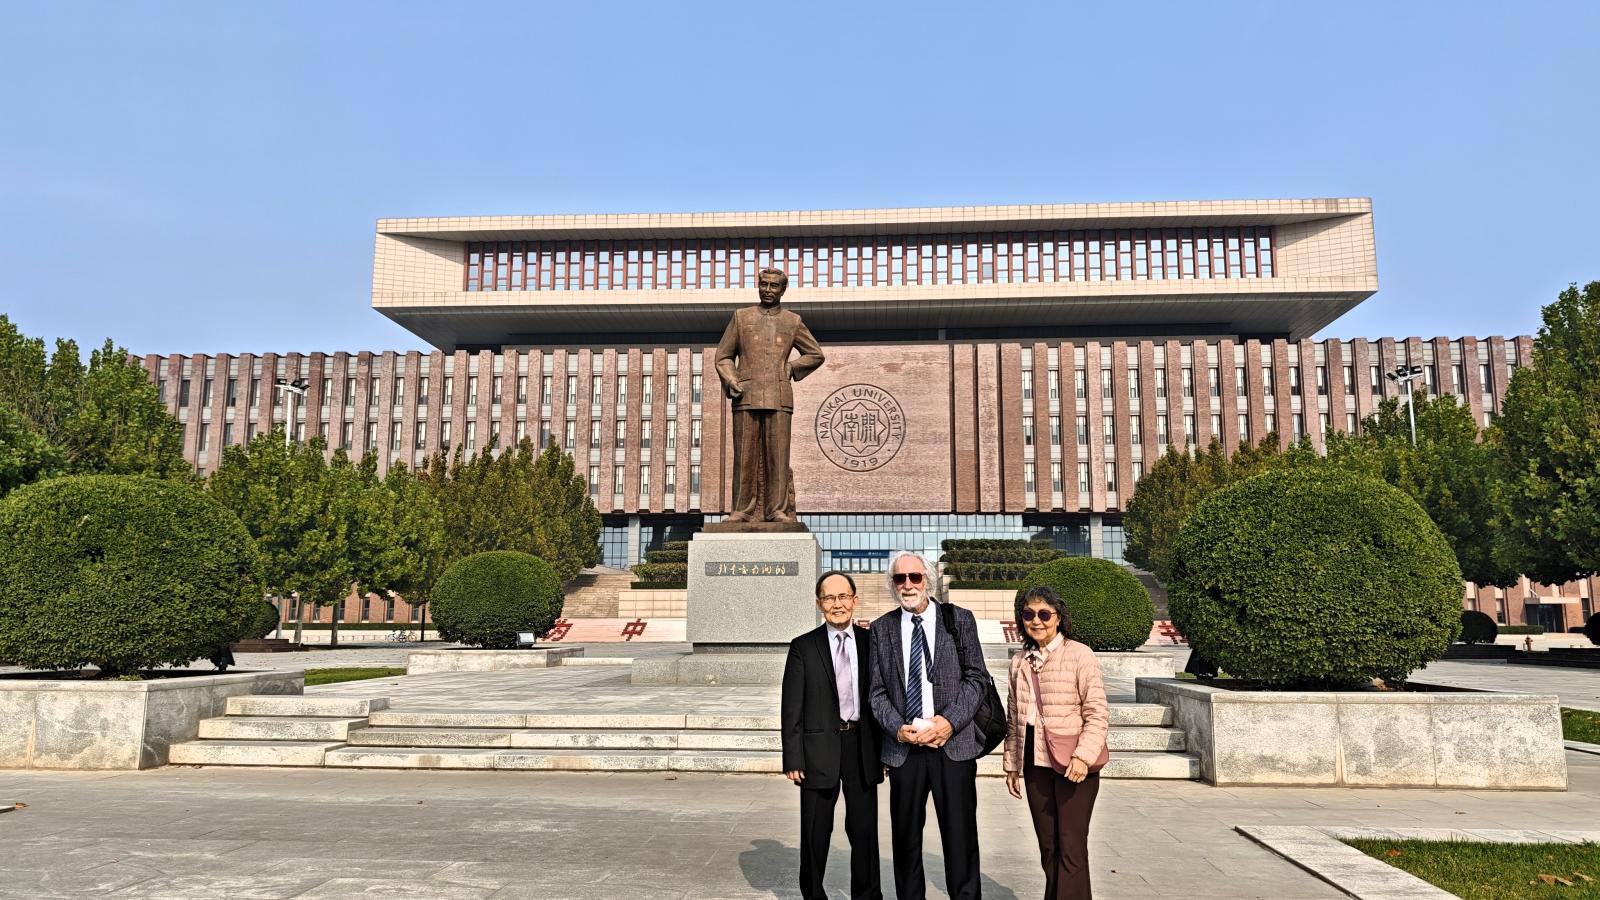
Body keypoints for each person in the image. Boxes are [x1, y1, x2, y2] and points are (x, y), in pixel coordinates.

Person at [867, 550, 989, 900]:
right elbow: (875, 692)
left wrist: (949, 722)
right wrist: (895, 728)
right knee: (905, 841)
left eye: (914, 577)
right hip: (905, 749)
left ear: (928, 581)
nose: (907, 585)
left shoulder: (958, 619)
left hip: (953, 745)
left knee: (961, 837)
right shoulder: (882, 629)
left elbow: (977, 678)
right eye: (899, 579)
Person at [781, 570, 884, 900]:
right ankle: (813, 894)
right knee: (815, 831)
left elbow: (881, 699)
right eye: (829, 598)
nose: (836, 604)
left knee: (865, 831)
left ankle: (866, 895)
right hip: (817, 750)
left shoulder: (872, 643)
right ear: (818, 603)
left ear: (855, 600)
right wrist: (792, 757)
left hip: (862, 747)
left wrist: (885, 751)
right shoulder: (803, 647)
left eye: (843, 597)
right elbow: (791, 706)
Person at [1004, 586, 1108, 899]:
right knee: (1049, 846)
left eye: (1044, 614)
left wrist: (1083, 757)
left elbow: (1097, 713)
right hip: (1035, 763)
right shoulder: (1019, 662)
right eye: (1028, 614)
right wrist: (1011, 764)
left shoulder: (1079, 654)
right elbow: (1013, 718)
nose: (1036, 621)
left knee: (1071, 847)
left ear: (1058, 618)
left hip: (1073, 762)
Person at [713, 267, 825, 523]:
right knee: (744, 457)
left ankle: (777, 510)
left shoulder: (792, 321)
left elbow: (815, 354)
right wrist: (731, 379)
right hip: (746, 394)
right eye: (764, 284)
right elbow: (723, 356)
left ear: (783, 290)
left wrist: (792, 367)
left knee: (778, 457)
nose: (768, 290)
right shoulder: (741, 318)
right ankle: (742, 509)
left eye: (774, 286)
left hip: (779, 396)